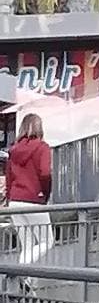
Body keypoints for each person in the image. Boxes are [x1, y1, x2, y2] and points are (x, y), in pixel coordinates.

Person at [6, 114, 54, 280]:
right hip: (34, 199)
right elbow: (46, 173)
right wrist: (45, 193)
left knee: (27, 245)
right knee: (47, 241)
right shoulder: (42, 147)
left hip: (15, 200)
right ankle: (21, 274)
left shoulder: (13, 150)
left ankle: (28, 286)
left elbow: (9, 176)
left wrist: (8, 198)